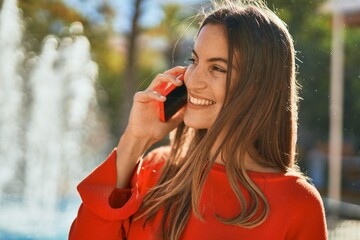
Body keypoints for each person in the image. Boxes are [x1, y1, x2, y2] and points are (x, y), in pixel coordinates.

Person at [69, 1, 328, 239]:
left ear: (257, 86)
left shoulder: (298, 204)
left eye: (216, 68)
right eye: (194, 61)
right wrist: (134, 141)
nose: (192, 80)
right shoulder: (156, 170)